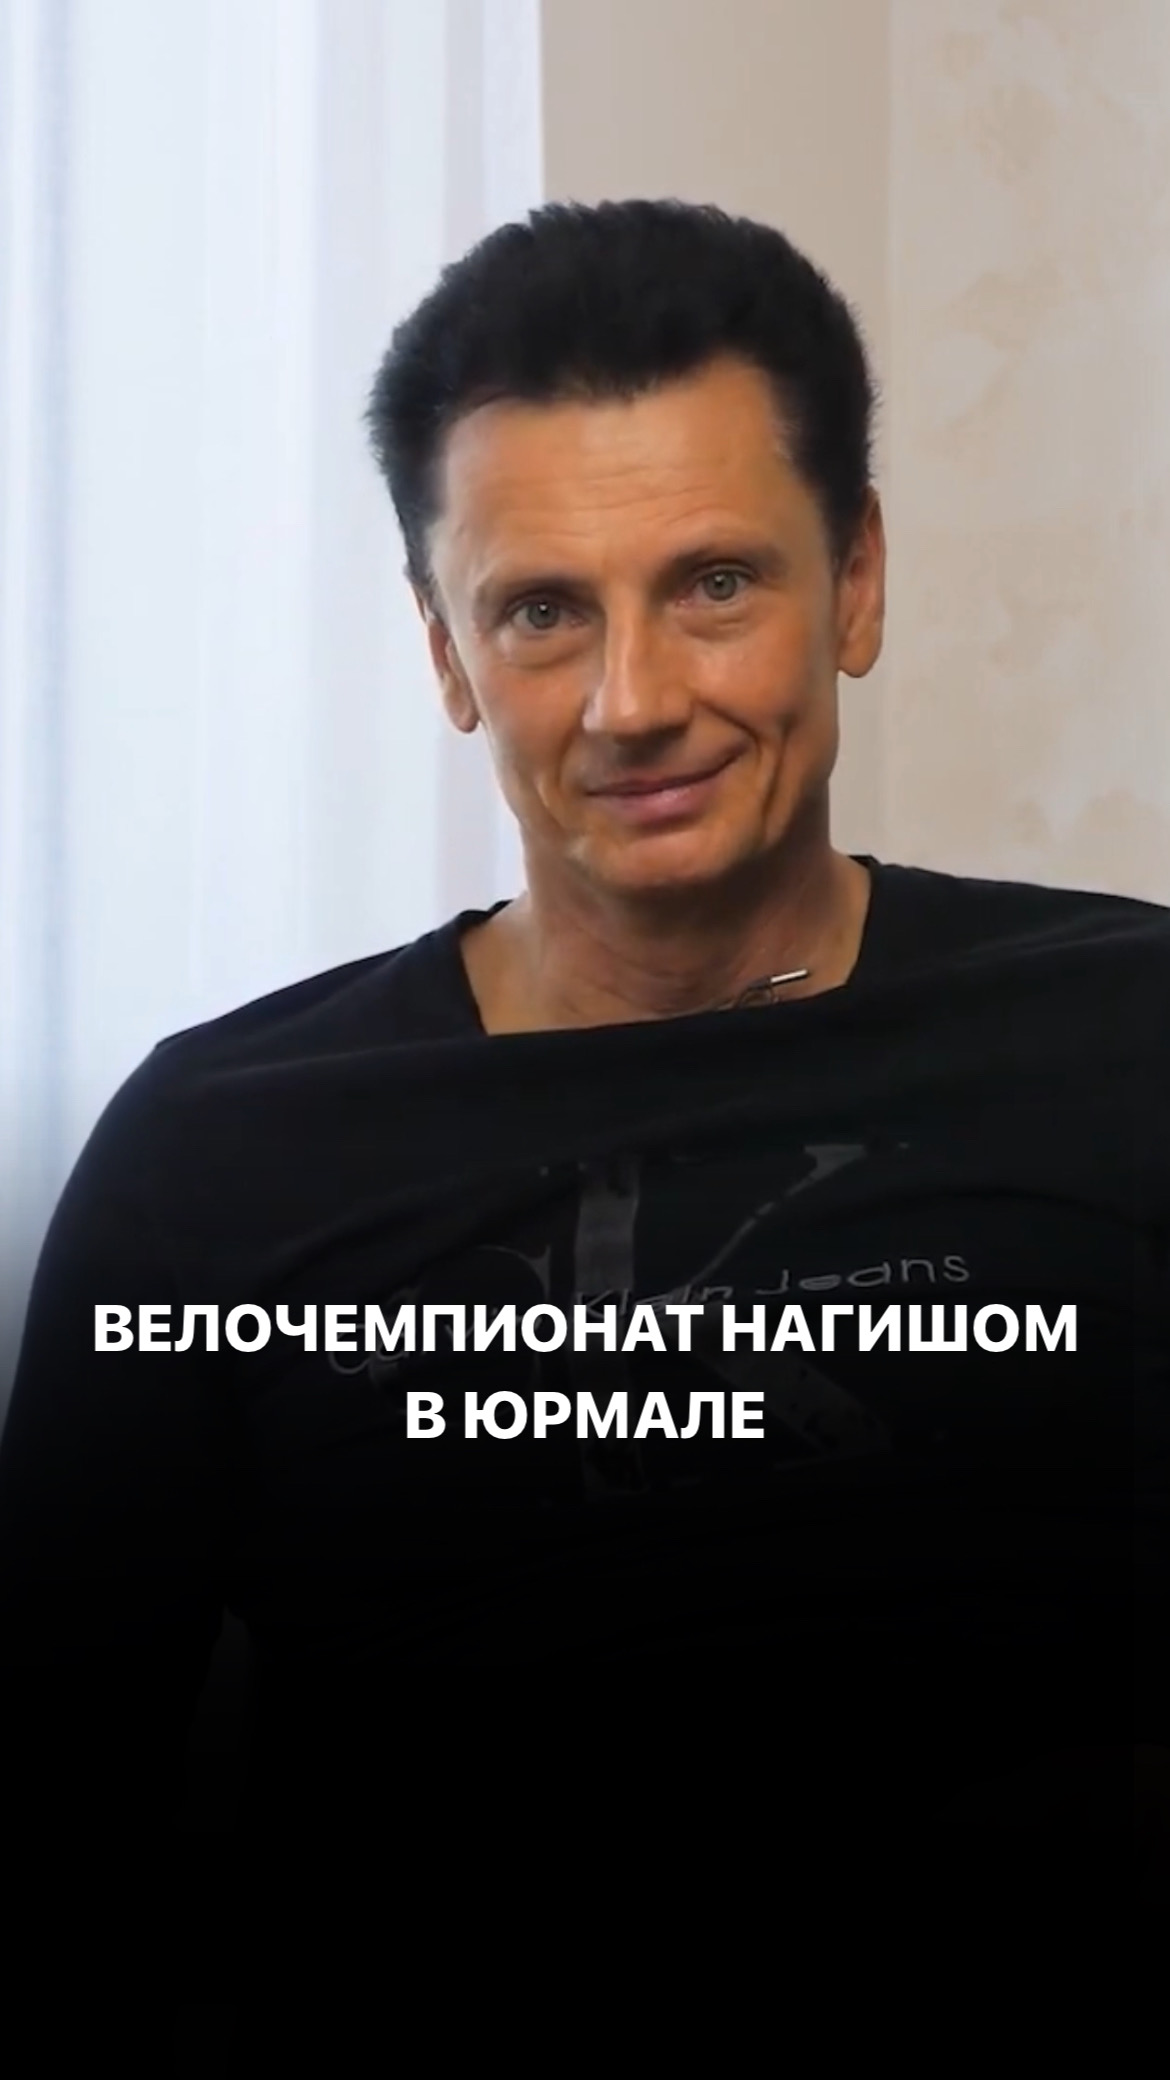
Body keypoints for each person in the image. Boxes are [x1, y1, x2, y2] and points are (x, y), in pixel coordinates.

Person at [1, 200, 1167, 1978]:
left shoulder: (1127, 1031)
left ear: (855, 580)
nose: (632, 702)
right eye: (542, 611)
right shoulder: (215, 1153)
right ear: (446, 653)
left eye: (714, 585)